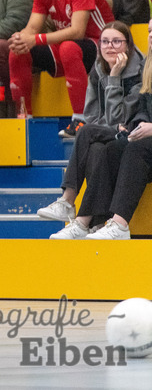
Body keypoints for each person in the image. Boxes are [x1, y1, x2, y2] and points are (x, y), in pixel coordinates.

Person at [37, 21, 142, 238]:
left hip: (131, 133)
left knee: (85, 132)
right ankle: (90, 224)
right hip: (110, 133)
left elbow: (120, 118)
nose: (110, 47)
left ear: (128, 45)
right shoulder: (97, 67)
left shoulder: (138, 70)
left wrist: (114, 77)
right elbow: (92, 114)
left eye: (116, 42)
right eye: (105, 42)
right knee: (96, 149)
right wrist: (106, 128)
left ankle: (68, 202)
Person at [8, 0, 114, 129]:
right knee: (18, 51)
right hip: (73, 48)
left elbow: (77, 31)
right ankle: (24, 118)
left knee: (68, 47)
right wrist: (21, 38)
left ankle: (81, 120)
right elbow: (32, 28)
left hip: (104, 46)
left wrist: (36, 39)